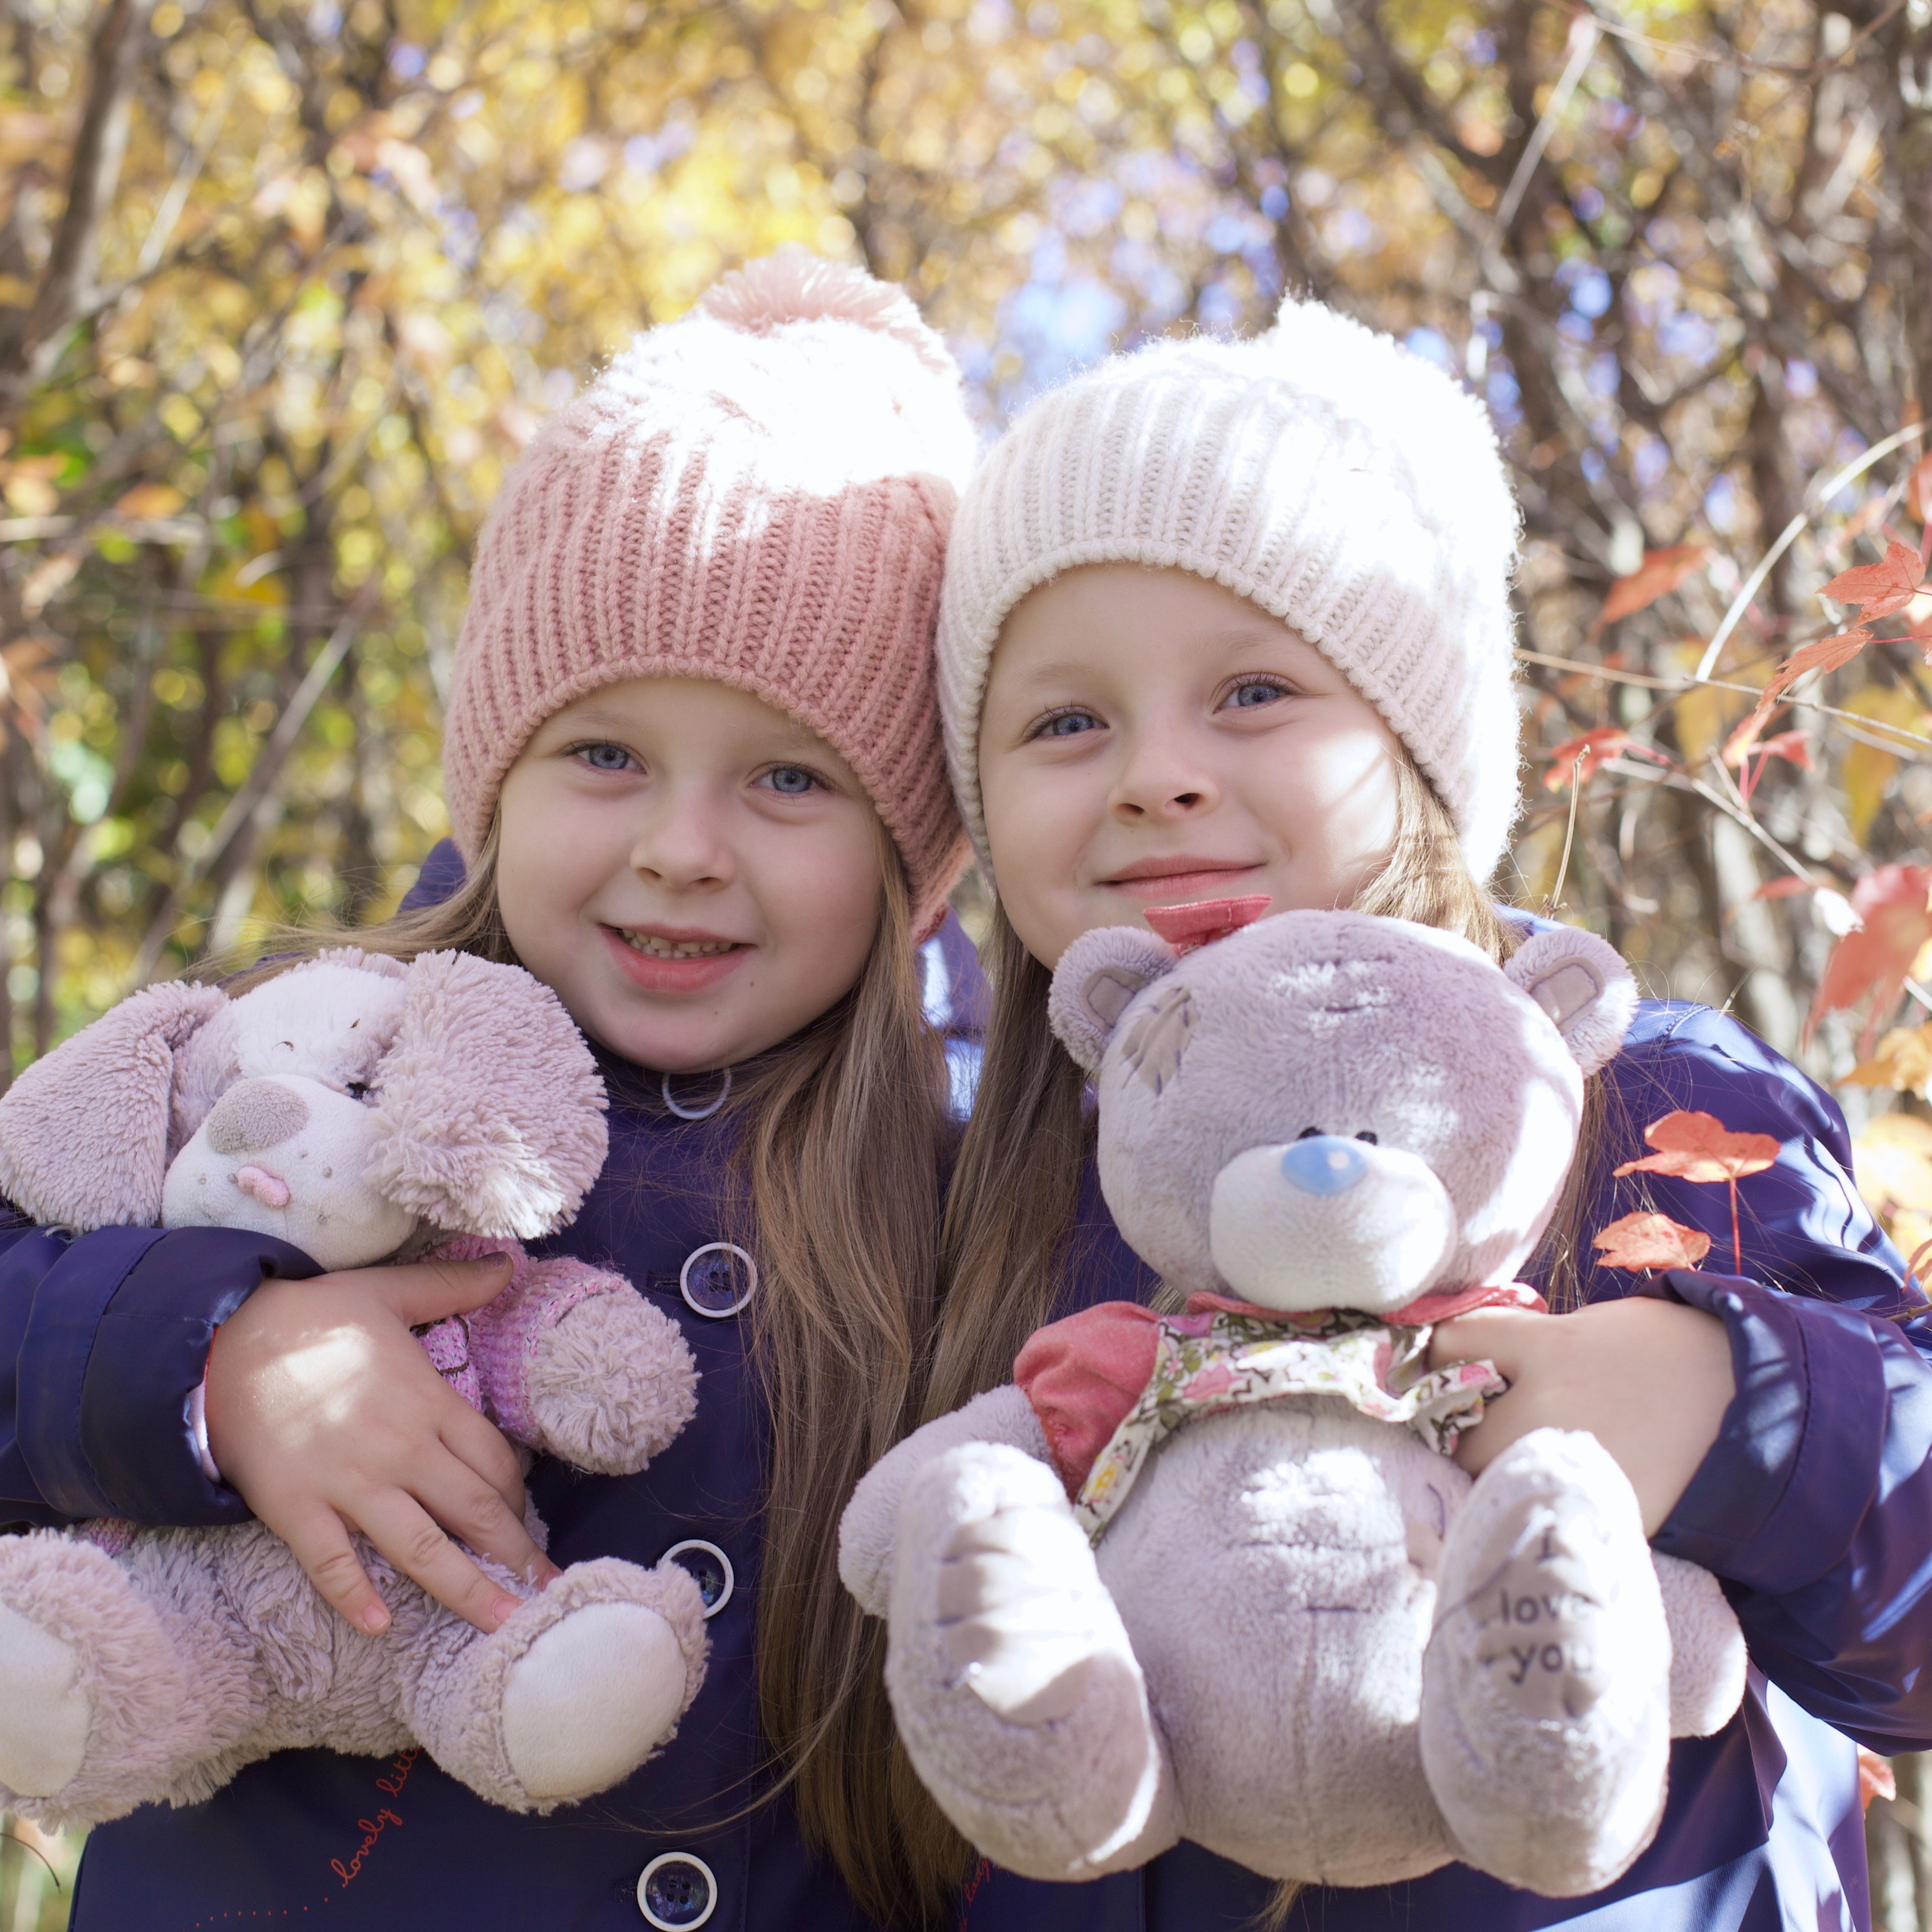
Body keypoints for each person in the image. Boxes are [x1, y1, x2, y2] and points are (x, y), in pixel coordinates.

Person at [0, 254, 986, 1929]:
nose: (681, 846)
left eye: (788, 777)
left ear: (913, 851)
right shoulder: (306, 1053)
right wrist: (216, 1360)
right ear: (497, 776)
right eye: (604, 754)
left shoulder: (975, 1174)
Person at [924, 294, 1930, 1930]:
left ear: (1419, 752)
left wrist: (1728, 1404)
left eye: (1254, 690)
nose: (1153, 775)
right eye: (1063, 721)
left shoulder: (1636, 1103)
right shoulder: (994, 1196)